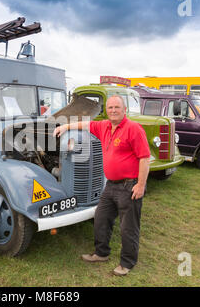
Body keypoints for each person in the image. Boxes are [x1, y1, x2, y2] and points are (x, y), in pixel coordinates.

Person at [53, 95, 150, 276]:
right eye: (111, 107)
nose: (113, 110)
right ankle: (101, 253)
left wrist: (141, 185)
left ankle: (127, 263)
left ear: (124, 110)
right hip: (110, 186)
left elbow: (145, 158)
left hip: (129, 186)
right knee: (101, 218)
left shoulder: (133, 129)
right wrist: (66, 126)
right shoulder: (104, 125)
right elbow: (85, 125)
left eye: (117, 107)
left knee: (128, 227)